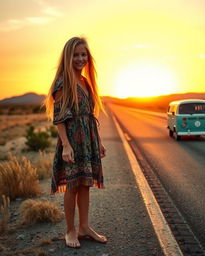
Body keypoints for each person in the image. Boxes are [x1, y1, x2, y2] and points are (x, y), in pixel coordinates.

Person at [45, 36, 107, 248]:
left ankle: (84, 227)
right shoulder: (63, 81)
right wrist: (66, 144)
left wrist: (98, 142)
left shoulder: (85, 81)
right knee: (72, 185)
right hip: (72, 139)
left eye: (84, 55)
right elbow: (60, 116)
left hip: (87, 139)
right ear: (68, 57)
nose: (81, 58)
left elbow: (90, 115)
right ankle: (70, 231)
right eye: (76, 55)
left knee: (85, 185)